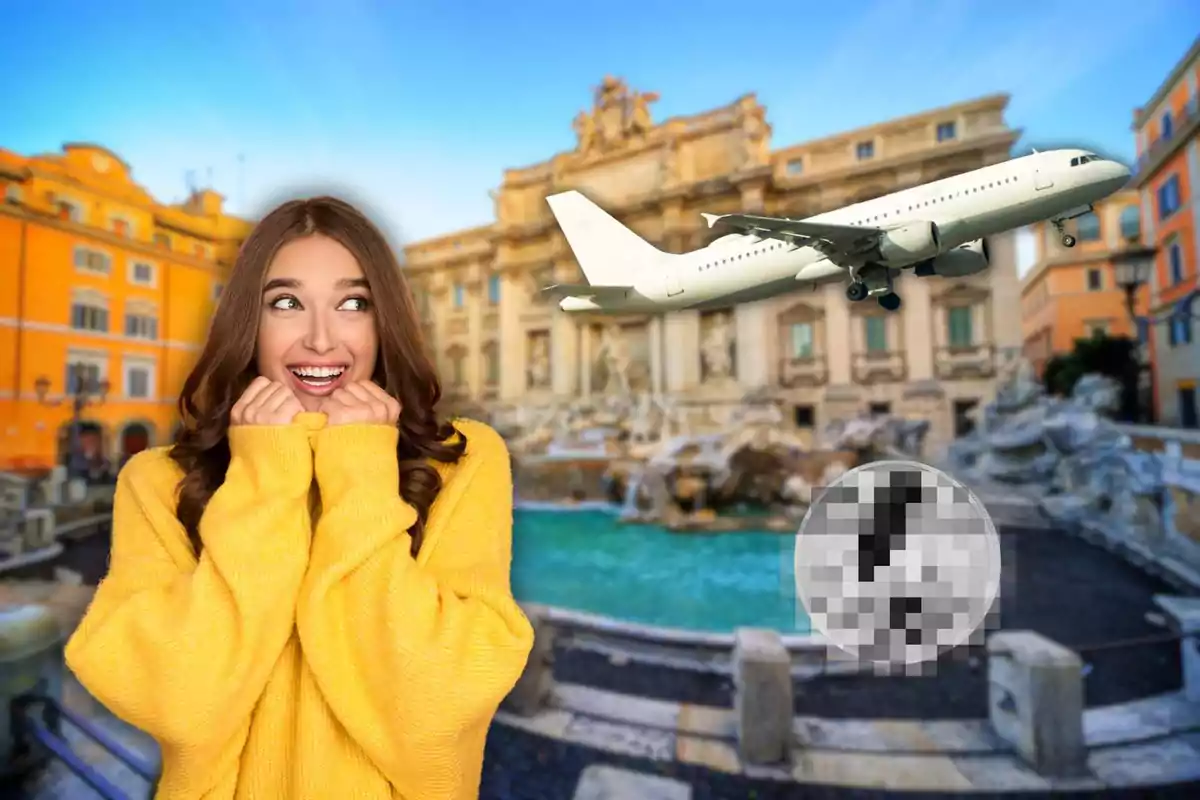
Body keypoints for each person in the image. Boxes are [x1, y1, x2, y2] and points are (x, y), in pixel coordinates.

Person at [65, 196, 535, 799]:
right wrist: (266, 479)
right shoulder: (157, 481)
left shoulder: (462, 461)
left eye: (353, 303)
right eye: (286, 303)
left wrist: (362, 467)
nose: (320, 339)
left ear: (384, 319)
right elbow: (178, 703)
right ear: (248, 324)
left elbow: (438, 704)